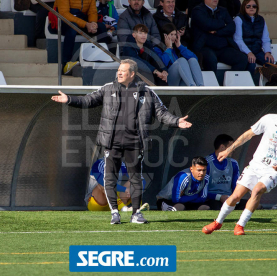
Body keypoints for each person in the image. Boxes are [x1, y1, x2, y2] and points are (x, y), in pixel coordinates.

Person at [51, 59, 193, 224]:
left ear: (132, 74)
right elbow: (88, 100)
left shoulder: (146, 92)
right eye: (118, 70)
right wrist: (69, 99)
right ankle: (114, 213)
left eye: (122, 70)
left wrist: (176, 121)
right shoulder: (108, 88)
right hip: (112, 142)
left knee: (135, 178)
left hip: (134, 143)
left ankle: (136, 214)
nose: (118, 73)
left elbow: (161, 112)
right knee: (110, 177)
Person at [202, 93, 277, 235]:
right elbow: (248, 135)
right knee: (235, 197)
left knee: (257, 190)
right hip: (255, 166)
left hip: (274, 171)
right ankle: (217, 222)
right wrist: (228, 150)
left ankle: (240, 225)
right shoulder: (269, 119)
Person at [190, 0, 248, 74]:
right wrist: (223, 23)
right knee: (211, 60)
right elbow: (208, 25)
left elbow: (232, 27)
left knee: (242, 59)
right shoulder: (197, 10)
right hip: (204, 47)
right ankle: (212, 84)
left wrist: (217, 31)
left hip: (223, 47)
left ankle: (229, 83)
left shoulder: (223, 10)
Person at [54, 0, 109, 74]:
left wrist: (92, 23)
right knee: (73, 27)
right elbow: (64, 14)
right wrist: (86, 24)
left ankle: (102, 58)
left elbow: (92, 12)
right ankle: (66, 63)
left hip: (81, 20)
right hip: (62, 21)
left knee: (101, 27)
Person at [204, 134, 247, 210]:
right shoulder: (206, 163)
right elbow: (201, 191)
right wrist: (219, 197)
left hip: (229, 199)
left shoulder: (233, 163)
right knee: (216, 208)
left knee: (254, 206)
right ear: (222, 147)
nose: (233, 149)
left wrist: (236, 197)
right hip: (212, 200)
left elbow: (236, 185)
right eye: (231, 147)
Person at [233, 0, 274, 75]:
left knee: (270, 62)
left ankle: (269, 85)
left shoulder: (261, 19)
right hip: (243, 51)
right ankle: (248, 84)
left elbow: (265, 39)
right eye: (248, 6)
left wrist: (267, 52)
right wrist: (249, 52)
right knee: (251, 63)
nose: (251, 8)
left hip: (257, 50)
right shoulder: (238, 19)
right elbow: (238, 39)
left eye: (254, 6)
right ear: (244, 7)